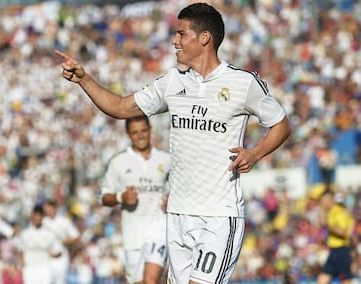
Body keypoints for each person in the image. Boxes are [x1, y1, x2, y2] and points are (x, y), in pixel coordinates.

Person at [55, 2, 291, 283]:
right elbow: (119, 107)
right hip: (177, 214)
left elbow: (281, 124)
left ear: (205, 38)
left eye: (181, 34)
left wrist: (255, 153)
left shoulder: (243, 82)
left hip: (217, 216)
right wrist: (84, 80)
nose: (174, 41)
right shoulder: (171, 82)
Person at [100, 115, 171, 284]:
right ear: (128, 133)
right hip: (132, 236)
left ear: (150, 130)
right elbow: (104, 197)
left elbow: (181, 188)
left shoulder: (166, 159)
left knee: (151, 281)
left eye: (144, 131)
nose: (140, 136)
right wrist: (121, 197)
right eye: (135, 132)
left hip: (159, 230)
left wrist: (172, 199)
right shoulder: (118, 162)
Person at [16, 205, 63, 284]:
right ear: (32, 216)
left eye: (40, 215)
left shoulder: (49, 234)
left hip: (45, 269)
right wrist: (22, 262)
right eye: (36, 215)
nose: (38, 218)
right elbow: (20, 249)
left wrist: (53, 254)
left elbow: (58, 250)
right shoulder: (25, 234)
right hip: (30, 269)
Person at [317, 189, 355, 284]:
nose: (322, 204)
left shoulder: (339, 212)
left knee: (346, 279)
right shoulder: (330, 212)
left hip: (342, 250)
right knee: (322, 279)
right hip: (333, 251)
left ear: (329, 200)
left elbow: (343, 232)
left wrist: (327, 225)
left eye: (323, 201)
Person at [42, 199, 81, 284]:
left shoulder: (64, 221)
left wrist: (65, 241)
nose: (46, 211)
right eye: (45, 209)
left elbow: (76, 237)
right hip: (46, 258)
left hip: (61, 257)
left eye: (48, 208)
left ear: (54, 208)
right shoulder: (43, 222)